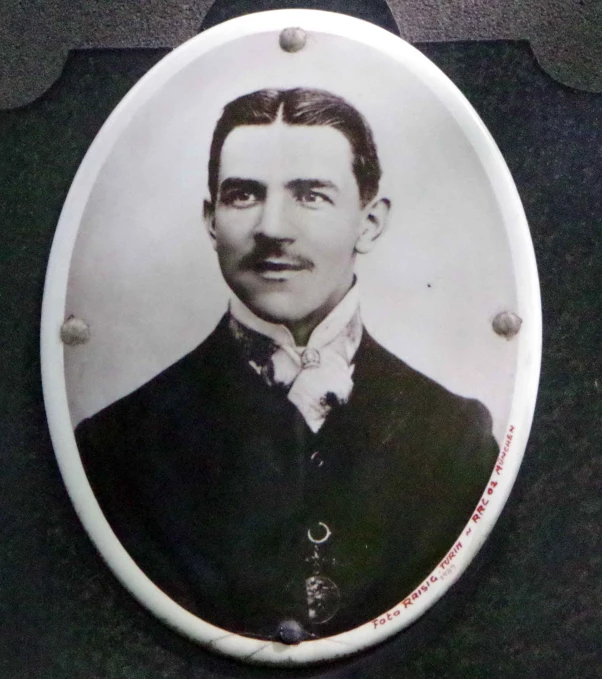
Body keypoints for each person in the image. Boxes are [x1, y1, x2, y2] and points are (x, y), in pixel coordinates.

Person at [76, 87, 499, 642]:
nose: (272, 227)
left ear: (369, 222)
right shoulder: (117, 446)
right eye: (244, 195)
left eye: (311, 195)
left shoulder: (456, 436)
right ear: (210, 220)